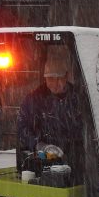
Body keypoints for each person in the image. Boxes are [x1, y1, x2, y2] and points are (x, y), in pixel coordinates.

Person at [17, 48, 84, 180]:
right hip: (44, 162)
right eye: (50, 79)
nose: (55, 84)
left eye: (59, 79)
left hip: (77, 160)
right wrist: (40, 145)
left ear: (66, 77)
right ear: (45, 78)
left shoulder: (78, 98)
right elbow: (21, 127)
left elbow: (87, 126)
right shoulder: (34, 99)